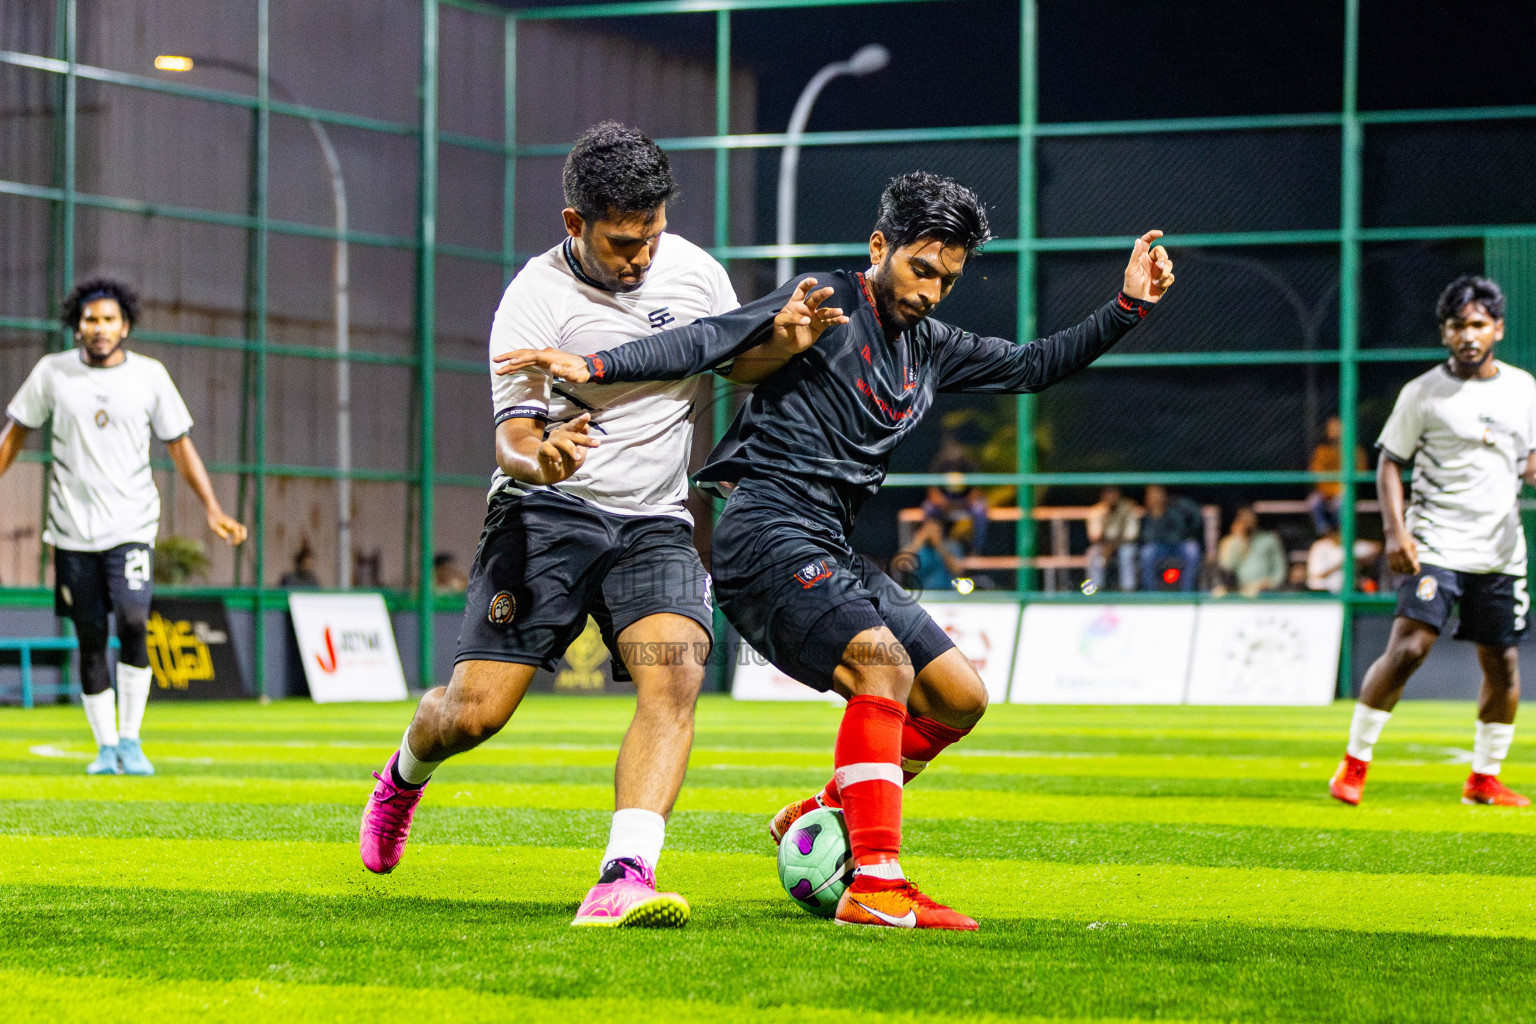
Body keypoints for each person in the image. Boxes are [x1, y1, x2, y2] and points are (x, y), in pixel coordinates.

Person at [499, 171, 1174, 929]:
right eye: (922, 268)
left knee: (959, 698)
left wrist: (1127, 308)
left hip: (828, 542)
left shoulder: (930, 345)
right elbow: (710, 339)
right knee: (881, 668)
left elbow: (1029, 367)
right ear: (879, 246)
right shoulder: (824, 302)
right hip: (764, 532)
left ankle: (821, 811)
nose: (932, 291)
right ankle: (876, 884)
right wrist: (594, 366)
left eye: (948, 278)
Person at [357, 122, 845, 928]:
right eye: (623, 242)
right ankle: (408, 767)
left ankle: (625, 873)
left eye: (651, 236)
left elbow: (731, 364)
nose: (641, 258)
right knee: (473, 715)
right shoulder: (534, 301)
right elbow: (513, 436)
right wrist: (540, 459)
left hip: (654, 521)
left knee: (678, 668)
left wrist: (782, 345)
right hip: (545, 515)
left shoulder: (694, 273)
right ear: (574, 224)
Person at [0, 279, 247, 775]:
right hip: (71, 531)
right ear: (77, 326)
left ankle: (132, 740)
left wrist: (213, 508)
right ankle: (106, 747)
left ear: (126, 325)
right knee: (90, 636)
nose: (100, 328)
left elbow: (180, 446)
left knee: (133, 622)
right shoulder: (52, 373)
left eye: (110, 319)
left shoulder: (150, 377)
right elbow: (15, 435)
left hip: (131, 525)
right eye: (91, 319)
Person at [1330, 275, 1536, 808]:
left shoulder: (1523, 389)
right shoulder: (1422, 393)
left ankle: (1483, 780)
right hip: (1435, 542)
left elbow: (1528, 460)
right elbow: (1389, 464)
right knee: (1410, 646)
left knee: (1503, 663)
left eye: (1477, 324)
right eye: (1456, 326)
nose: (1468, 335)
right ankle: (1353, 766)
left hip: (1499, 550)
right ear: (1444, 333)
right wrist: (1398, 533)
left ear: (1497, 328)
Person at [1307, 415, 1369, 536]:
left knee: (1341, 502)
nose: (1334, 431)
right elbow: (1316, 473)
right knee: (1313, 501)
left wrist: (1339, 491)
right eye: (1331, 428)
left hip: (1345, 492)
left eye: (1337, 427)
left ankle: (1342, 535)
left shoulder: (1357, 451)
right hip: (1325, 493)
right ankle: (1325, 533)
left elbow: (1361, 474)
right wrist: (1328, 493)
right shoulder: (1322, 451)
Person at [1138, 484, 1202, 592]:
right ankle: (1150, 592)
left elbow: (1177, 535)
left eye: (1157, 494)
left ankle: (1186, 591)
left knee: (1192, 550)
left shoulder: (1174, 509)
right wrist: (1156, 519)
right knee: (1147, 552)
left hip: (1177, 546)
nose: (1154, 498)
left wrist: (1161, 534)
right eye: (1151, 495)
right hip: (1159, 547)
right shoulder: (1147, 515)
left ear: (1164, 495)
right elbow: (1146, 537)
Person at [1213, 506, 1286, 597]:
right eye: (1242, 517)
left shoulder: (1269, 539)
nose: (1247, 520)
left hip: (1265, 591)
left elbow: (1280, 571)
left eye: (1249, 515)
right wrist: (1239, 539)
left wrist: (1267, 584)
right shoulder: (1233, 541)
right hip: (1240, 591)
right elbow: (1227, 566)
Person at [1085, 485, 1139, 592]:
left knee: (1127, 552)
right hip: (1103, 545)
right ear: (1103, 496)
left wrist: (1113, 546)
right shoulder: (1097, 511)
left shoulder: (1127, 508)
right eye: (1108, 493)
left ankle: (1128, 590)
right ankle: (1095, 590)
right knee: (1092, 553)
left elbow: (1132, 535)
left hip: (1122, 544)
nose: (1111, 497)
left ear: (1119, 494)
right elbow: (1093, 537)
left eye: (1114, 493)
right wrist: (1105, 519)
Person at [1305, 529, 1382, 594]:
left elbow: (1378, 547)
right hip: (1323, 592)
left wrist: (1359, 559)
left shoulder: (1350, 545)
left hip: (1347, 590)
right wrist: (1339, 564)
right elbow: (1317, 575)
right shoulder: (1320, 547)